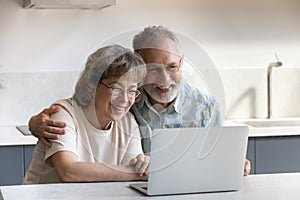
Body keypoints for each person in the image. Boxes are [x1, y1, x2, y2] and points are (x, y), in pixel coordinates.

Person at [28, 26, 251, 176]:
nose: (165, 80)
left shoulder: (204, 108)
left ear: (181, 63)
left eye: (172, 67)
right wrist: (34, 124)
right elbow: (83, 110)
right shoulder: (129, 107)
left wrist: (231, 166)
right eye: (153, 70)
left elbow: (218, 162)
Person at [23, 45, 149, 184]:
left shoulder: (128, 123)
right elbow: (68, 172)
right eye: (116, 88)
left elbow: (133, 174)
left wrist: (142, 167)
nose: (125, 99)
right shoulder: (63, 114)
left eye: (132, 90)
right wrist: (136, 173)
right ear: (93, 84)